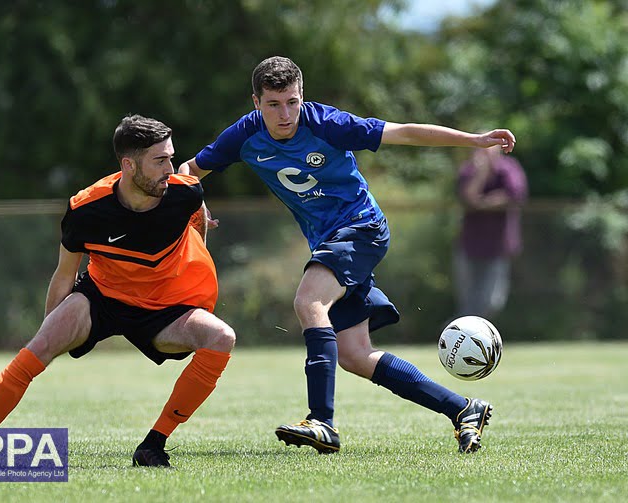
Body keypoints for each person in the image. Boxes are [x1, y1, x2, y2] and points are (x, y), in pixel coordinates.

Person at [178, 56, 516, 454]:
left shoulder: (327, 124)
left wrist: (474, 140)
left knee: (309, 300)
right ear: (256, 103)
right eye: (273, 104)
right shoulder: (244, 136)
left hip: (362, 227)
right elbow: (188, 170)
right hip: (328, 241)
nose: (285, 114)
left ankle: (322, 421)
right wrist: (194, 207)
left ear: (302, 96)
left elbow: (405, 133)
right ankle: (462, 410)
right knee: (355, 355)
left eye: (292, 101)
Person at [0, 114, 235, 468]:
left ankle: (154, 444)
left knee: (222, 337)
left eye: (171, 157)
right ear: (128, 164)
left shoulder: (184, 193)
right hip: (103, 297)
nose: (170, 169)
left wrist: (196, 250)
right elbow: (65, 276)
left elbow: (197, 216)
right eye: (160, 160)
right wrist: (51, 330)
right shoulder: (86, 209)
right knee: (37, 349)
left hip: (165, 308)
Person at [454, 146, 528, 318]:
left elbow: (514, 196)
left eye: (488, 149)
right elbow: (468, 197)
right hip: (469, 244)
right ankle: (460, 338)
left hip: (498, 246)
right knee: (468, 300)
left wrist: (482, 203)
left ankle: (472, 334)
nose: (484, 153)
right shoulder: (468, 171)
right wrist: (480, 173)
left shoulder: (508, 168)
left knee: (493, 301)